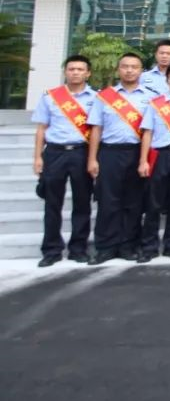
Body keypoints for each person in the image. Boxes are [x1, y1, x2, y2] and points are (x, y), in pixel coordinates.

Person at [87, 53, 153, 265]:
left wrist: (145, 159)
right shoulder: (105, 97)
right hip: (109, 153)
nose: (129, 70)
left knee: (134, 202)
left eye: (134, 67)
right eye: (125, 66)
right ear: (118, 70)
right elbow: (96, 128)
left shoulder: (151, 97)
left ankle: (128, 246)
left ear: (141, 70)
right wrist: (92, 158)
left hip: (137, 152)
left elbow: (151, 130)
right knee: (108, 200)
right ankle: (105, 247)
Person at [32, 55, 96, 267]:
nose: (75, 72)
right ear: (65, 72)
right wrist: (37, 157)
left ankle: (78, 248)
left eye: (80, 69)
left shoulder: (96, 98)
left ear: (88, 73)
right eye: (71, 69)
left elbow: (97, 130)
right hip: (55, 153)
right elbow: (41, 129)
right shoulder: (51, 97)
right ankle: (51, 250)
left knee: (82, 202)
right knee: (52, 203)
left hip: (81, 152)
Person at [137, 64, 170, 262]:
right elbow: (147, 133)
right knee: (153, 203)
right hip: (159, 156)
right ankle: (149, 247)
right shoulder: (156, 104)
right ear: (167, 80)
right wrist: (143, 160)